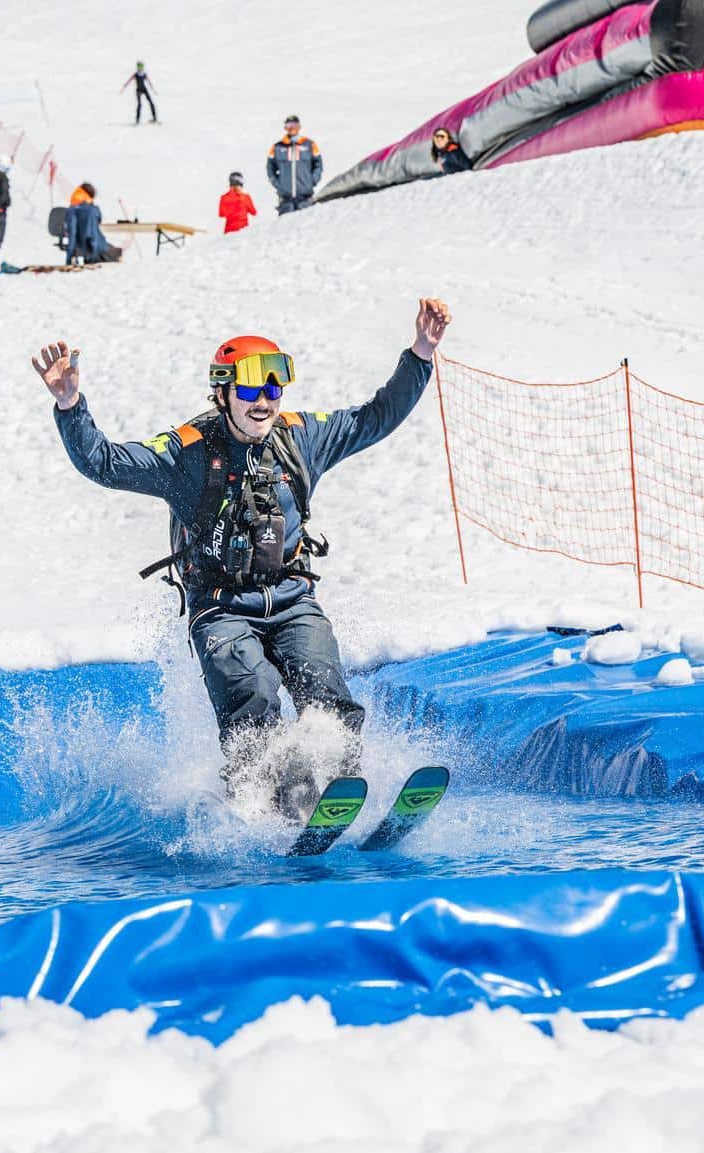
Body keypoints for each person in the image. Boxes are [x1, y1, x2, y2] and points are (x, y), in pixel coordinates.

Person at [30, 298, 453, 813]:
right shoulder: (185, 453)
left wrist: (421, 353)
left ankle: (339, 796)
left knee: (327, 690)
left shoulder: (300, 438)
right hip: (221, 609)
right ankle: (258, 802)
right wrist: (72, 407)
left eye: (274, 386)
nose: (265, 400)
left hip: (293, 601)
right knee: (253, 691)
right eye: (251, 387)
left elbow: (375, 418)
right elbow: (104, 462)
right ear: (223, 391)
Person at [267, 115, 322, 215]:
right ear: (285, 127)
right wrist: (278, 184)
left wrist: (312, 181)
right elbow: (270, 168)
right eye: (289, 125)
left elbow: (318, 165)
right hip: (286, 200)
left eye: (295, 125)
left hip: (305, 198)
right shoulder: (277, 147)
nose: (292, 127)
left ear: (299, 126)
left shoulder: (309, 145)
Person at [64, 182, 119, 265]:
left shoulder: (71, 209)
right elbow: (97, 222)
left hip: (76, 245)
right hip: (92, 246)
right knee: (114, 252)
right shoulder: (92, 210)